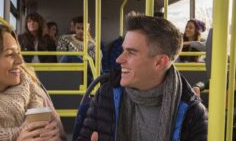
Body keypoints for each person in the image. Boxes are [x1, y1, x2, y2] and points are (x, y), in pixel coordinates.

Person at [77, 14, 208, 141]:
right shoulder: (106, 95)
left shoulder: (193, 114)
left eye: (131, 52)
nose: (119, 59)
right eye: (123, 50)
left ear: (160, 62)